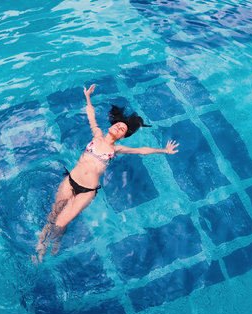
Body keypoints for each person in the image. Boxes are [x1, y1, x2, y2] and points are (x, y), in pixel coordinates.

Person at [33, 84, 179, 263]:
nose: (119, 127)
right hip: (70, 181)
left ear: (123, 136)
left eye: (123, 129)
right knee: (53, 215)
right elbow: (91, 115)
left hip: (86, 191)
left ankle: (50, 248)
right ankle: (40, 250)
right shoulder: (97, 135)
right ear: (112, 125)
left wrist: (163, 151)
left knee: (61, 223)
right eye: (118, 125)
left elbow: (141, 150)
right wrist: (87, 97)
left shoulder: (117, 149)